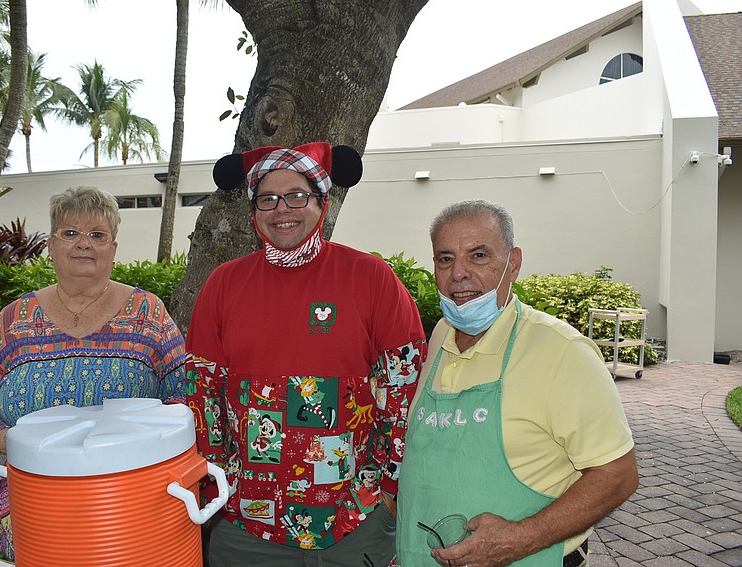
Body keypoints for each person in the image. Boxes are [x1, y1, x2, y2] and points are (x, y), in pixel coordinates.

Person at [185, 142, 427, 566]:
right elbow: (203, 397)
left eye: (298, 195)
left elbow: (404, 390)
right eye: (268, 198)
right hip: (247, 526)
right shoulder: (223, 284)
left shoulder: (371, 277)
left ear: (323, 202)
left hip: (355, 519)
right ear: (253, 209)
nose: (283, 209)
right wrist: (219, 494)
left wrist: (388, 492)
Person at [396, 199, 638, 567]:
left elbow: (618, 475)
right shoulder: (441, 334)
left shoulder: (562, 351)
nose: (458, 273)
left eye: (478, 255)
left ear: (514, 263)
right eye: (445, 259)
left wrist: (520, 539)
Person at [0, 185, 187, 560]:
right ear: (51, 245)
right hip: (34, 505)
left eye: (97, 234)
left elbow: (186, 399)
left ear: (112, 249)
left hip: (131, 505)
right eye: (70, 233)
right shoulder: (15, 319)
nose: (84, 244)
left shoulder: (149, 312)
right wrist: (5, 440)